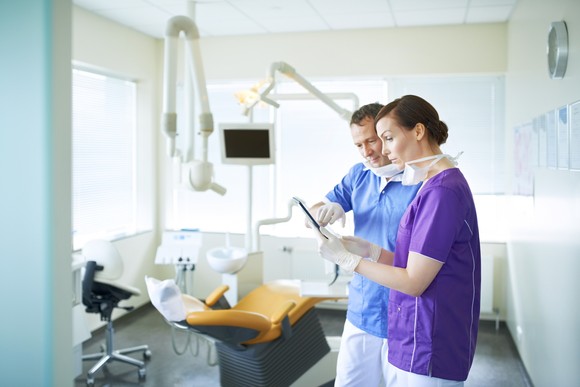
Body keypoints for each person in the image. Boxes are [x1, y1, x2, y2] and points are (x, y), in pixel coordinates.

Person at [312, 95, 481, 387]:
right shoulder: (431, 184)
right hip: (404, 323)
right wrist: (371, 251)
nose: (382, 150)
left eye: (386, 138)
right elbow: (413, 262)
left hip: (427, 334)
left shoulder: (441, 192)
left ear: (417, 131)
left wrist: (348, 260)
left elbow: (414, 281)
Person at [308, 103, 421, 387]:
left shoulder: (420, 183)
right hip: (363, 307)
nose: (366, 151)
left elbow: (420, 266)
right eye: (358, 144)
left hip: (405, 313)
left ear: (387, 135)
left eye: (371, 140)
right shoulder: (359, 175)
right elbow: (316, 207)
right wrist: (326, 209)